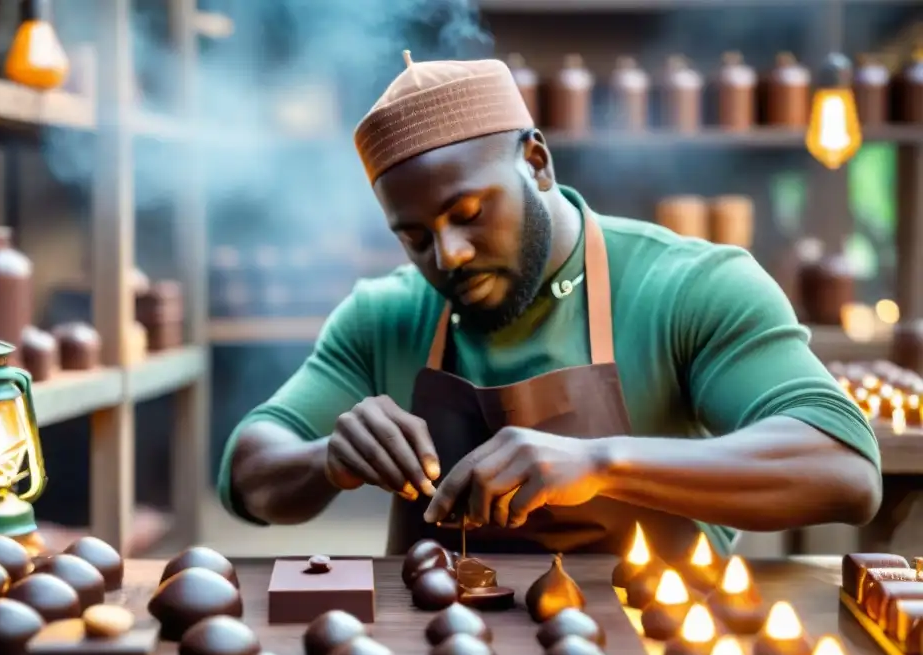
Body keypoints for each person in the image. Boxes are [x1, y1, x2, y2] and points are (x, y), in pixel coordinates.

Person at [217, 51, 881, 564]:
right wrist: (326, 458)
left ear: (536, 163)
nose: (447, 256)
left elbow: (842, 467)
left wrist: (603, 463)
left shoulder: (689, 287)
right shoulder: (384, 316)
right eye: (414, 237)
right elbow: (247, 473)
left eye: (469, 213)